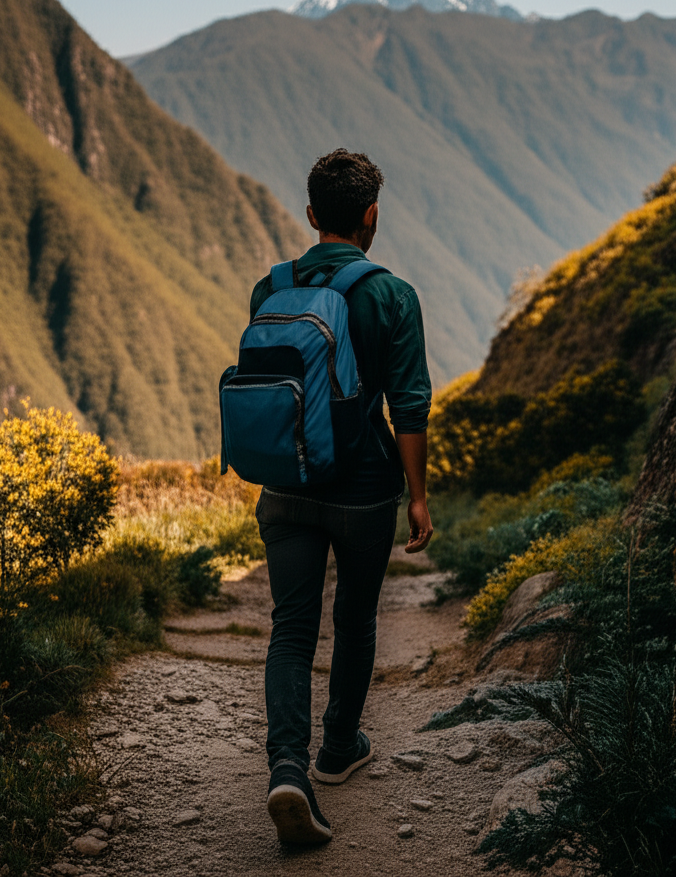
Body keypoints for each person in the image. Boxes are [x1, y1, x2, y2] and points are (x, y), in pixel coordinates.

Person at [253, 148, 434, 845]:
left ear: (310, 217)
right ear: (370, 216)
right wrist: (416, 497)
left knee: (291, 629)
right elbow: (410, 406)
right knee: (354, 620)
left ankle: (287, 770)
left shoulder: (269, 289)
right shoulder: (392, 295)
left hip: (285, 486)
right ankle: (336, 750)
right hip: (362, 493)